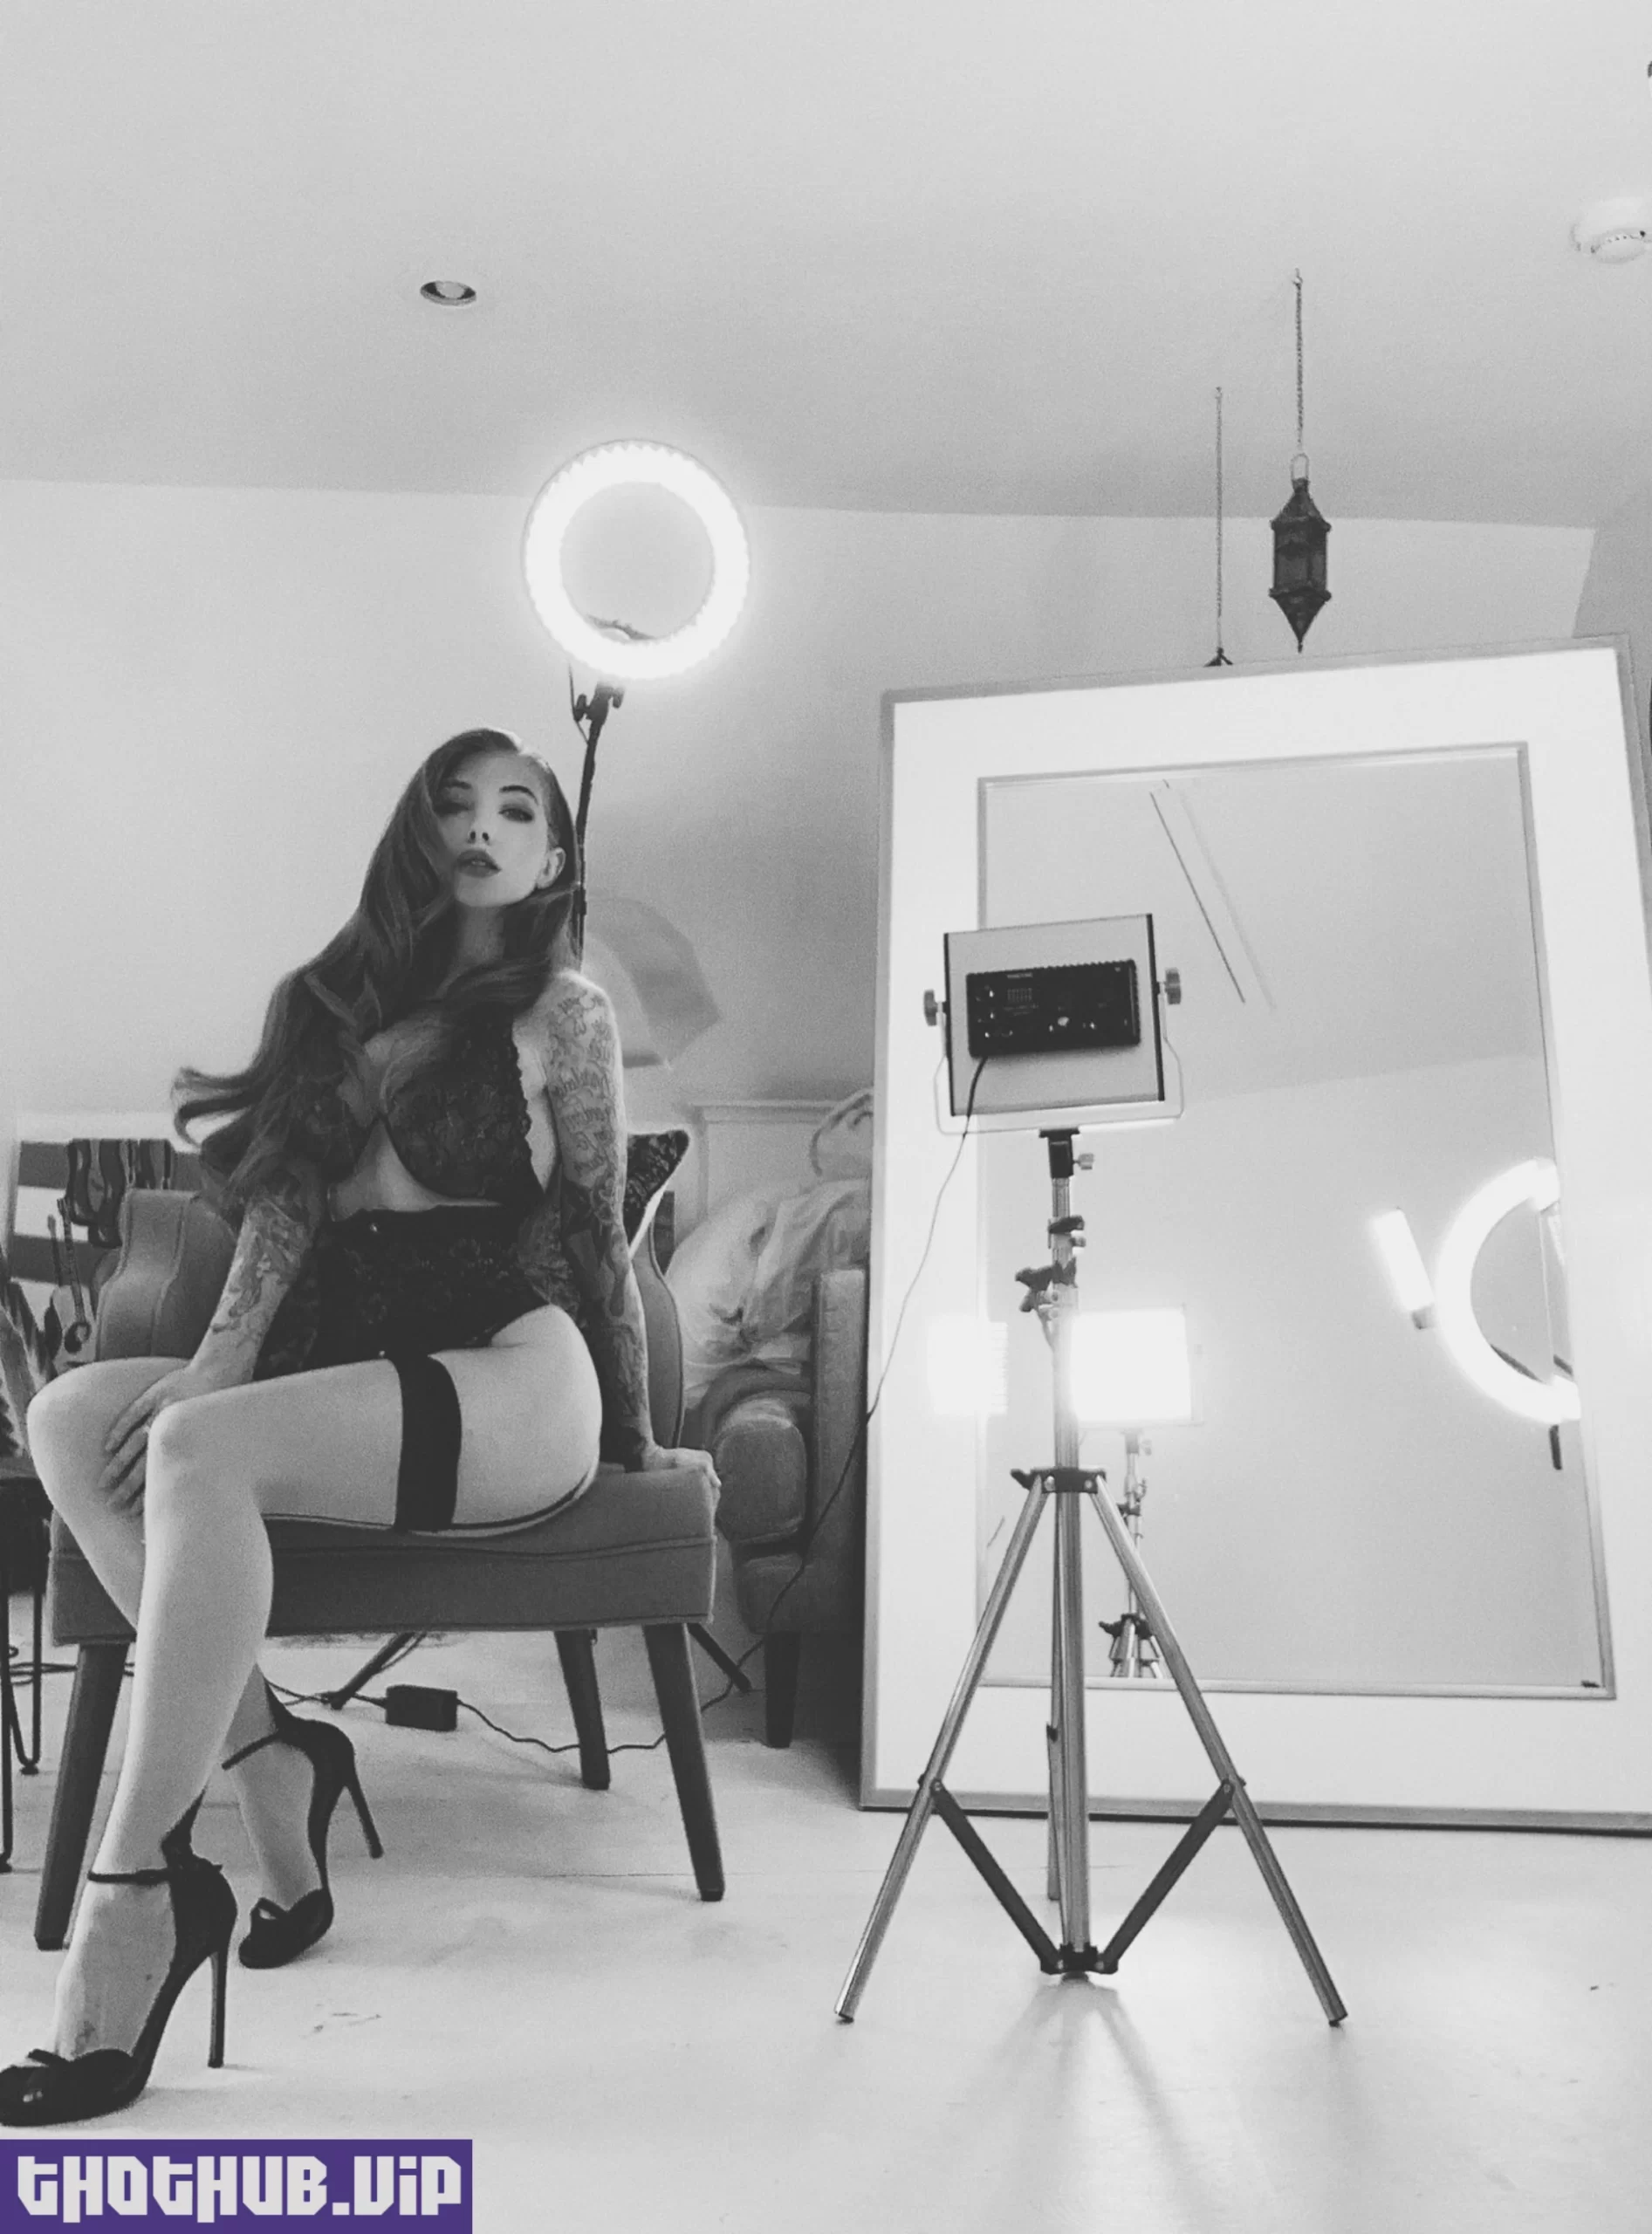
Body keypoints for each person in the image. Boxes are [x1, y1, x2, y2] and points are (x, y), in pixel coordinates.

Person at [0, 727, 717, 2127]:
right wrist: (216, 1362)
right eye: (457, 804)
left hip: (513, 1372)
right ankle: (276, 1759)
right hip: (354, 1361)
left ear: (554, 859)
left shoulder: (563, 1011)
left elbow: (591, 1228)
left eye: (518, 811)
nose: (483, 827)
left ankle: (136, 1892)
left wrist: (641, 1437)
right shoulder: (330, 1005)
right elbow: (281, 1212)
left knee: (198, 1450)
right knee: (76, 1417)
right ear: (416, 831)